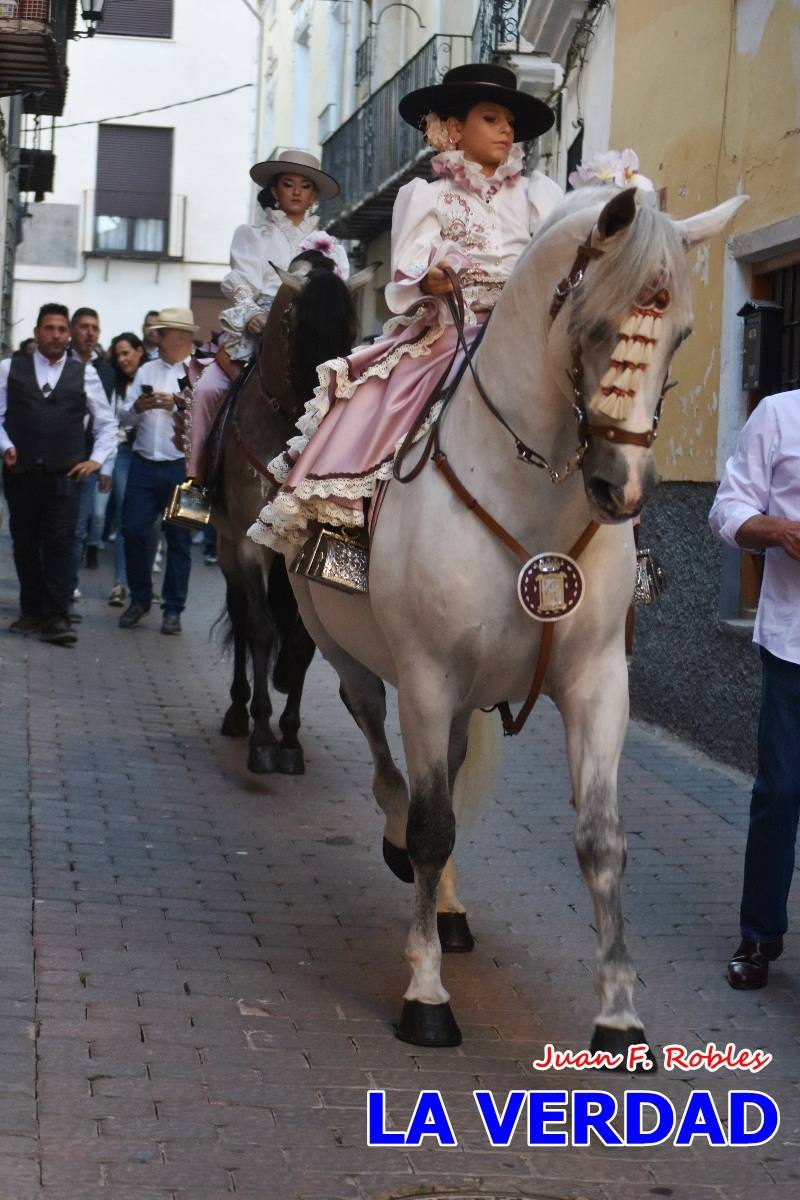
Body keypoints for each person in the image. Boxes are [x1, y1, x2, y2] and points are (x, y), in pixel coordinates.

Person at [247, 65, 559, 552]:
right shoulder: (429, 196)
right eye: (492, 118)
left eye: (510, 123)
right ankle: (345, 533)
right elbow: (408, 271)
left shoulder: (540, 195)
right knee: (376, 403)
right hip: (453, 331)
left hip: (528, 331)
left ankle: (619, 544)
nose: (506, 130)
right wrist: (429, 278)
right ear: (455, 130)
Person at [184, 149, 348, 484]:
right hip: (260, 329)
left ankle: (346, 495)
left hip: (314, 338)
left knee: (353, 403)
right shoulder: (252, 236)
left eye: (305, 185)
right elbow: (240, 282)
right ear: (275, 191)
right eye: (288, 184)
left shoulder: (333, 246)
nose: (297, 192)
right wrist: (251, 315)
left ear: (314, 195)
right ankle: (196, 480)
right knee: (206, 390)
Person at [709, 388, 800, 989]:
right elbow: (728, 510)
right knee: (780, 791)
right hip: (794, 640)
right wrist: (779, 531)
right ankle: (760, 934)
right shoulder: (779, 413)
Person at [0, 303, 116, 645]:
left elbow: (107, 425)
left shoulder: (85, 374)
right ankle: (31, 611)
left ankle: (57, 616)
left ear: (68, 335)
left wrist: (95, 460)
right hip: (20, 471)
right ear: (37, 332)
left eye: (61, 330)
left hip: (65, 473)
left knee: (60, 543)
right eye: (49, 328)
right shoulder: (10, 368)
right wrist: (5, 444)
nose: (56, 335)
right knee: (24, 542)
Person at [118, 307, 206, 635]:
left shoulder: (204, 370)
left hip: (187, 467)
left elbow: (212, 415)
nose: (156, 337)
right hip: (143, 463)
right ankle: (140, 597)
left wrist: (179, 403)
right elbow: (124, 418)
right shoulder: (146, 370)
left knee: (181, 540)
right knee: (133, 531)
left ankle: (173, 610)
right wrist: (136, 409)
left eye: (163, 331)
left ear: (180, 336)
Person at [68, 307, 116, 590]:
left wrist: (104, 464)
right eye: (84, 327)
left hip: (88, 460)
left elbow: (106, 420)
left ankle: (69, 584)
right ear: (73, 329)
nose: (90, 333)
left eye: (94, 328)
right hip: (56, 456)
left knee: (78, 529)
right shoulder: (61, 364)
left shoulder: (105, 371)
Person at [105, 332, 146, 606]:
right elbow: (111, 423)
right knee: (124, 519)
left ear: (139, 351)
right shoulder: (114, 383)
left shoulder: (154, 375)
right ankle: (120, 583)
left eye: (126, 353)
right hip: (123, 454)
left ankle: (142, 585)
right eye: (118, 355)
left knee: (150, 525)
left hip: (148, 456)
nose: (122, 360)